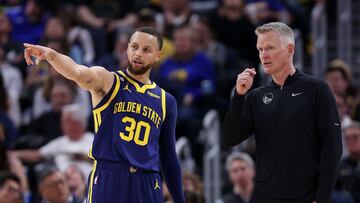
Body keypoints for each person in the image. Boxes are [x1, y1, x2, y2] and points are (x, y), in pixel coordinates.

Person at [23, 26, 184, 203]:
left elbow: (168, 157)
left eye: (146, 50)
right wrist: (52, 56)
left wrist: (179, 199)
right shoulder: (108, 80)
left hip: (147, 181)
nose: (138, 53)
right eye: (135, 47)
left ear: (157, 55)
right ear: (127, 48)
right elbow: (76, 72)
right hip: (109, 175)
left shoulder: (165, 100)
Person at [223, 22, 342, 203]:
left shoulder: (317, 89)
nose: (264, 55)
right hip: (264, 196)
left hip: (305, 196)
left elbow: (333, 149)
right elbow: (230, 139)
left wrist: (322, 198)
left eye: (269, 48)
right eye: (260, 49)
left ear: (290, 49)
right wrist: (239, 96)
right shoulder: (256, 96)